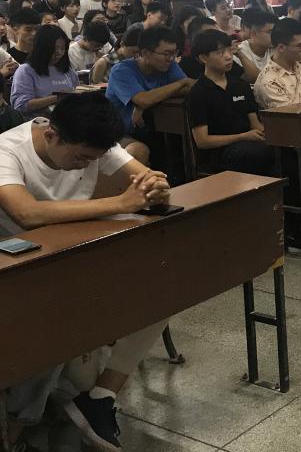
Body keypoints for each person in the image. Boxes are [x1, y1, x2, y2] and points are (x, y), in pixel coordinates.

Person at [0, 92, 171, 452]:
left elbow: (143, 177)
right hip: (21, 267)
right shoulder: (7, 151)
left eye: (92, 159)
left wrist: (155, 185)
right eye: (80, 158)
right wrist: (120, 202)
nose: (85, 165)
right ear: (51, 135)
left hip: (78, 254)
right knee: (58, 335)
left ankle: (100, 397)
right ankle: (20, 421)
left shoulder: (92, 141)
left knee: (163, 289)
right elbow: (26, 213)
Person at [187, 29, 276, 175]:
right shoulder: (198, 92)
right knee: (267, 153)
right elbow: (202, 141)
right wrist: (242, 136)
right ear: (203, 58)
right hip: (221, 154)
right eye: (220, 52)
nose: (229, 56)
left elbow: (255, 124)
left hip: (248, 144)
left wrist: (272, 136)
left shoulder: (240, 85)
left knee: (283, 148)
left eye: (229, 50)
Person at [106, 26, 194, 166]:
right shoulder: (121, 71)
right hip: (120, 134)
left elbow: (189, 88)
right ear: (145, 53)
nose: (171, 58)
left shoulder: (169, 66)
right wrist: (180, 83)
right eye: (166, 53)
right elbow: (143, 99)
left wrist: (145, 104)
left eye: (174, 53)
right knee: (139, 151)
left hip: (153, 128)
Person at [11, 25, 77, 118]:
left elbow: (76, 90)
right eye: (54, 49)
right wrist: (57, 98)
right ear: (41, 48)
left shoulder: (66, 69)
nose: (59, 53)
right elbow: (21, 105)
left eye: (62, 48)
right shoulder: (26, 71)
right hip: (38, 122)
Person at [179, 17, 258, 82]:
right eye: (211, 34)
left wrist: (240, 54)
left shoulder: (223, 58)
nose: (217, 37)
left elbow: (254, 78)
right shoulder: (186, 64)